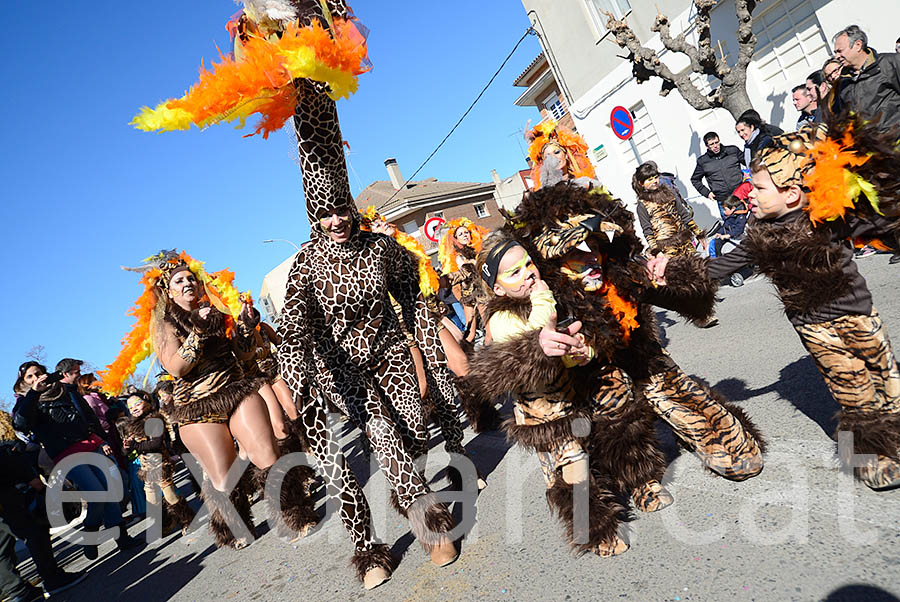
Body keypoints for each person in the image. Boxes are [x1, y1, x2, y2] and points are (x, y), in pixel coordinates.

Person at [647, 123, 900, 490]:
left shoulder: (829, 214)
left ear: (793, 194)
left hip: (860, 314)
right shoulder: (759, 236)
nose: (749, 194)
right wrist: (672, 269)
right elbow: (718, 267)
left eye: (759, 188)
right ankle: (869, 459)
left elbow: (879, 223)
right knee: (853, 390)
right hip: (815, 326)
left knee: (887, 380)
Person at [485, 181, 765, 482]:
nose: (591, 258)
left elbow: (694, 304)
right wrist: (541, 348)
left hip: (641, 358)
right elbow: (500, 364)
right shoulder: (539, 296)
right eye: (577, 253)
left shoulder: (621, 274)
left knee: (738, 456)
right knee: (594, 415)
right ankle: (616, 477)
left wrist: (676, 276)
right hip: (589, 382)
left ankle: (691, 429)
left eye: (595, 247)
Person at [467, 232, 672, 557]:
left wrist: (584, 351)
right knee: (569, 468)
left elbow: (578, 335)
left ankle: (639, 480)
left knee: (619, 407)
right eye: (514, 272)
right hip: (544, 411)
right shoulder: (503, 316)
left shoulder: (550, 291)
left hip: (576, 388)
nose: (528, 274)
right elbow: (535, 336)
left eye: (528, 264)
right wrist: (544, 302)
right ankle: (593, 530)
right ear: (497, 287)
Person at [118, 250, 317, 549]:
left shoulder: (218, 309)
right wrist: (198, 330)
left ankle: (294, 514)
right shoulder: (163, 325)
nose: (187, 284)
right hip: (196, 407)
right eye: (179, 281)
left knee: (267, 453)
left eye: (191, 279)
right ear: (168, 291)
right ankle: (231, 527)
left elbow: (244, 354)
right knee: (224, 478)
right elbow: (176, 367)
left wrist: (247, 328)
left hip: (234, 388)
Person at [12, 362, 140, 559]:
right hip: (66, 454)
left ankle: (122, 537)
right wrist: (34, 394)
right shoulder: (26, 402)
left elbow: (87, 416)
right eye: (29, 377)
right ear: (24, 382)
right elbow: (21, 424)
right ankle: (90, 531)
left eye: (38, 373)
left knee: (110, 490)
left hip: (90, 444)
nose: (36, 378)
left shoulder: (65, 389)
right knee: (97, 493)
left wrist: (100, 440)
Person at [832, 24, 900, 264]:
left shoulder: (890, 64)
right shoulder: (845, 83)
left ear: (857, 45)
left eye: (840, 50)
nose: (836, 55)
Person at [1, 416, 87, 599]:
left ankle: (14, 589)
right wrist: (29, 478)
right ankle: (50, 578)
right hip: (9, 493)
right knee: (35, 532)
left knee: (3, 544)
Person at [121, 391, 194, 536]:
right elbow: (126, 452)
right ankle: (166, 523)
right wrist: (126, 447)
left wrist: (135, 446)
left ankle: (188, 520)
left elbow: (155, 444)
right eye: (130, 407)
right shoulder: (131, 425)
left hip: (161, 465)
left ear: (147, 402)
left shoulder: (155, 420)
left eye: (137, 404)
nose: (134, 408)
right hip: (146, 469)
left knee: (170, 496)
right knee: (152, 501)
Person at [439, 218, 490, 344]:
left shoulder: (476, 250)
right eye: (460, 234)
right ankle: (470, 351)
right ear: (456, 238)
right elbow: (465, 270)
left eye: (466, 232)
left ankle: (475, 346)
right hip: (470, 292)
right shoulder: (457, 255)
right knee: (471, 328)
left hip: (481, 290)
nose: (465, 235)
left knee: (482, 323)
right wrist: (474, 263)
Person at [690, 131, 746, 219]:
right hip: (723, 200)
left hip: (741, 194)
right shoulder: (703, 161)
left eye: (716, 142)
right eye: (711, 144)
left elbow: (749, 162)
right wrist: (707, 193)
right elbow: (695, 179)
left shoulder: (732, 150)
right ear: (707, 146)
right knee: (731, 228)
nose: (715, 146)